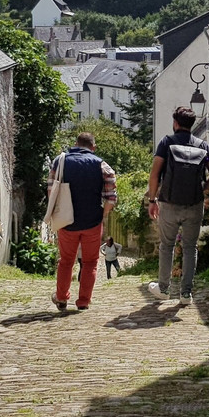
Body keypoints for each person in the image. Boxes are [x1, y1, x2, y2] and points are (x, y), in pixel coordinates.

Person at [146, 106, 209, 305]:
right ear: (192, 124)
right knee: (189, 248)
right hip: (194, 204)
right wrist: (202, 189)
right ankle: (186, 294)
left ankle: (163, 288)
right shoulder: (203, 145)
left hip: (169, 203)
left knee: (167, 246)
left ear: (175, 123)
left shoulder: (167, 143)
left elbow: (154, 174)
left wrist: (152, 200)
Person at [48, 132, 117, 311]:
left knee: (66, 260)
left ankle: (62, 297)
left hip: (66, 221)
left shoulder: (60, 161)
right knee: (90, 262)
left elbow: (51, 190)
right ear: (93, 147)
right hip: (92, 221)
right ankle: (83, 301)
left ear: (75, 144)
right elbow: (111, 197)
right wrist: (103, 215)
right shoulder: (101, 164)